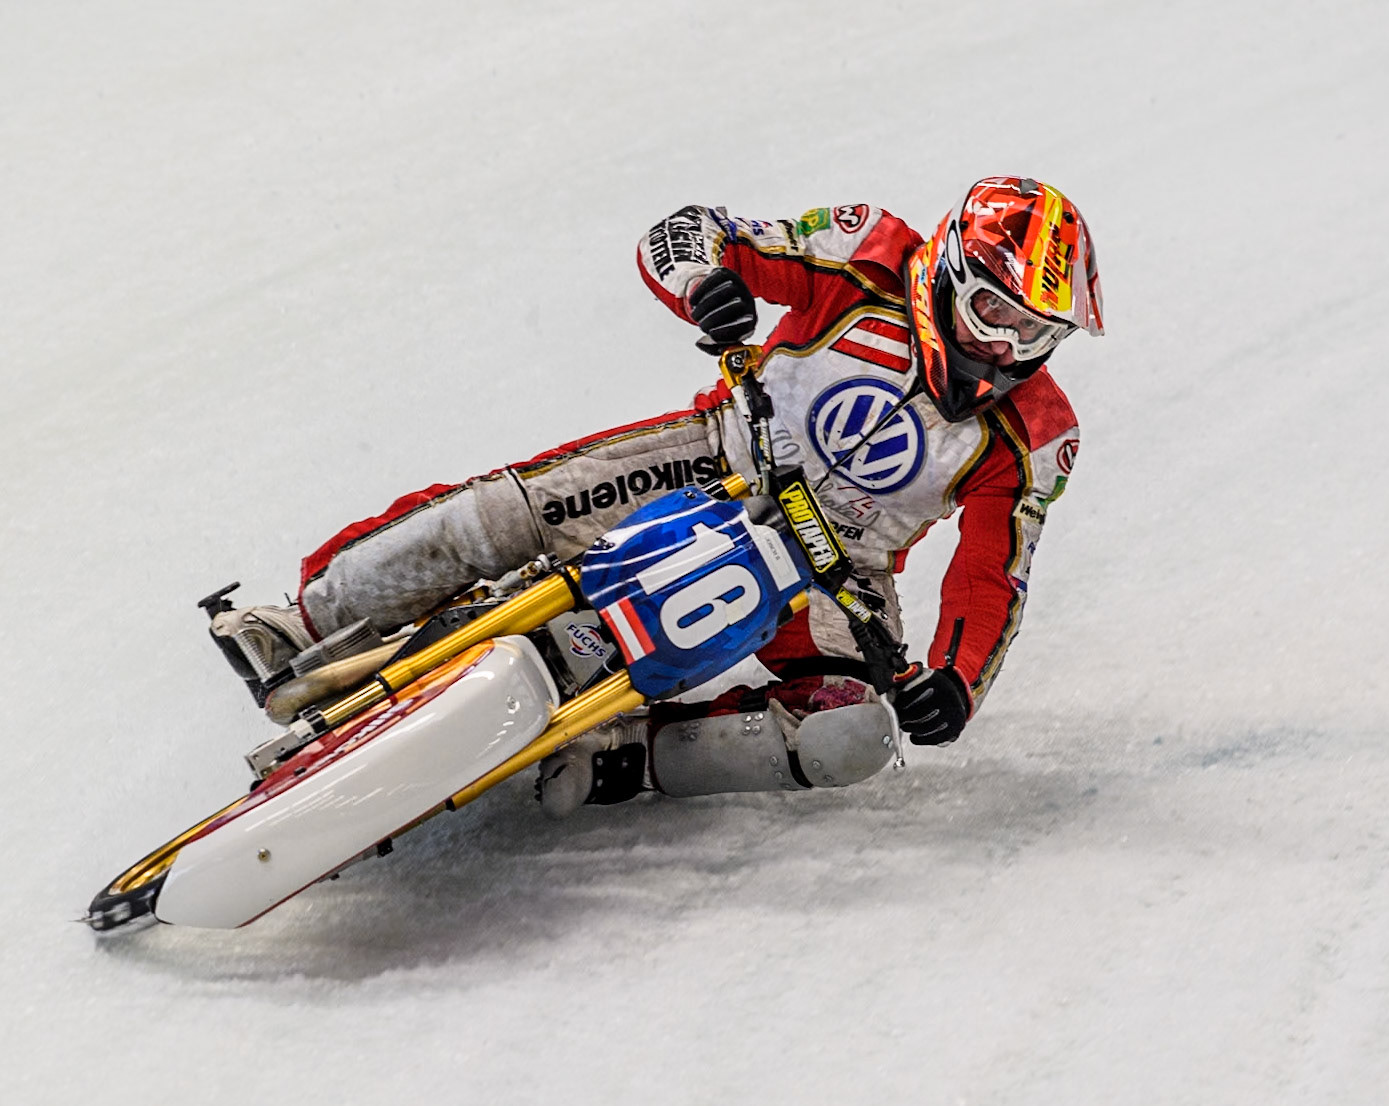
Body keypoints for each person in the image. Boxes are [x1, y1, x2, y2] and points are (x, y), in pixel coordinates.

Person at [211, 176, 1103, 817]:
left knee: (849, 735)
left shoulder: (1037, 431)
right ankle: (309, 621)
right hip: (719, 453)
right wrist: (704, 284)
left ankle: (622, 760)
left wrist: (955, 681)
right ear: (947, 272)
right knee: (505, 513)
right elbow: (690, 229)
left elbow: (993, 572)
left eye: (1038, 332)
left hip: (843, 567)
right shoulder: (866, 252)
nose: (1009, 348)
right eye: (996, 314)